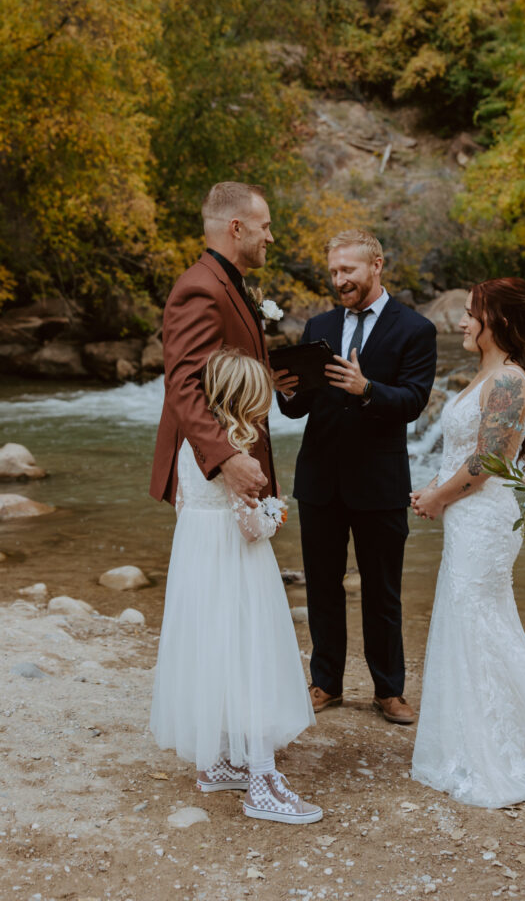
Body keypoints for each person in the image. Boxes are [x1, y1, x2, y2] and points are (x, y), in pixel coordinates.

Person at [411, 277, 525, 807]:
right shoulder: (486, 373)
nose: (460, 321)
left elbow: (489, 461)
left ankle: (501, 755)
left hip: (483, 517)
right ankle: (466, 744)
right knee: (470, 622)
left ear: (496, 321)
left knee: (481, 623)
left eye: (469, 313)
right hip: (468, 514)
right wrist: (435, 490)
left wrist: (439, 497)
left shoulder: (508, 380)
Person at [150, 349, 320, 824]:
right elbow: (252, 527)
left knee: (215, 653)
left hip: (197, 558)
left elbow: (182, 502)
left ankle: (219, 762)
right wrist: (276, 511)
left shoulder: (191, 445)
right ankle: (262, 782)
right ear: (248, 401)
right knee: (251, 657)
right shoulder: (235, 456)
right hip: (236, 562)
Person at [277, 230, 436, 724]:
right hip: (320, 478)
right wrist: (286, 391)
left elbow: (413, 401)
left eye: (348, 270)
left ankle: (389, 690)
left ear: (376, 265)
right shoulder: (319, 325)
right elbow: (298, 407)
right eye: (333, 272)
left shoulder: (415, 329)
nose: (339, 280)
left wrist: (368, 389)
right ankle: (326, 683)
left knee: (382, 592)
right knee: (323, 587)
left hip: (380, 482)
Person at [150, 181, 276, 511]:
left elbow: (224, 368)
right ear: (236, 228)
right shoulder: (200, 288)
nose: (270, 237)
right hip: (214, 470)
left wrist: (272, 377)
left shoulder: (228, 282)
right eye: (264, 227)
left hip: (238, 447)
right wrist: (227, 458)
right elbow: (183, 385)